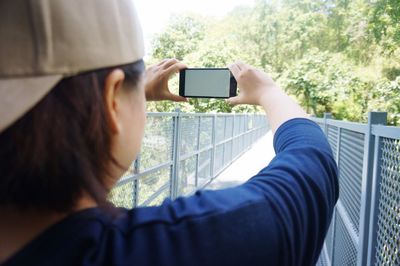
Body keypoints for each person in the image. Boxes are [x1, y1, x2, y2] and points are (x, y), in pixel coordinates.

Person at [0, 0, 338, 265]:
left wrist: (128, 98)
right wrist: (269, 93)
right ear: (111, 100)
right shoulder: (170, 249)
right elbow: (313, 164)